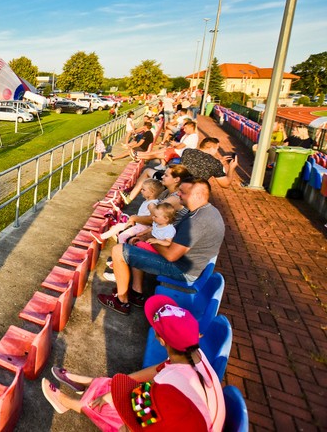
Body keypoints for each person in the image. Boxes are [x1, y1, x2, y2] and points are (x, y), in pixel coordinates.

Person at [42, 296, 225, 431]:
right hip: (186, 420)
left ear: (160, 339)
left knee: (109, 409)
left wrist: (112, 395)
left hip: (176, 421)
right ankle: (88, 384)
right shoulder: (194, 355)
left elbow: (136, 422)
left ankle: (66, 402)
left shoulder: (166, 386)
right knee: (116, 392)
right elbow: (155, 373)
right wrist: (114, 386)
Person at [100, 178, 224, 314]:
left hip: (182, 271)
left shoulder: (197, 222)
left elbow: (171, 255)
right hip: (191, 265)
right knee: (136, 246)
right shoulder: (208, 211)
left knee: (118, 251)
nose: (178, 195)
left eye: (182, 192)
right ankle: (136, 293)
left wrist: (152, 240)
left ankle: (121, 302)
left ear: (197, 195)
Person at [124, 138, 238, 203]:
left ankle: (129, 198)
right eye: (217, 148)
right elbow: (226, 184)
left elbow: (199, 161)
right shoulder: (215, 163)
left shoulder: (187, 151)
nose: (217, 151)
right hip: (189, 193)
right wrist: (231, 168)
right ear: (211, 147)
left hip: (173, 183)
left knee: (147, 171)